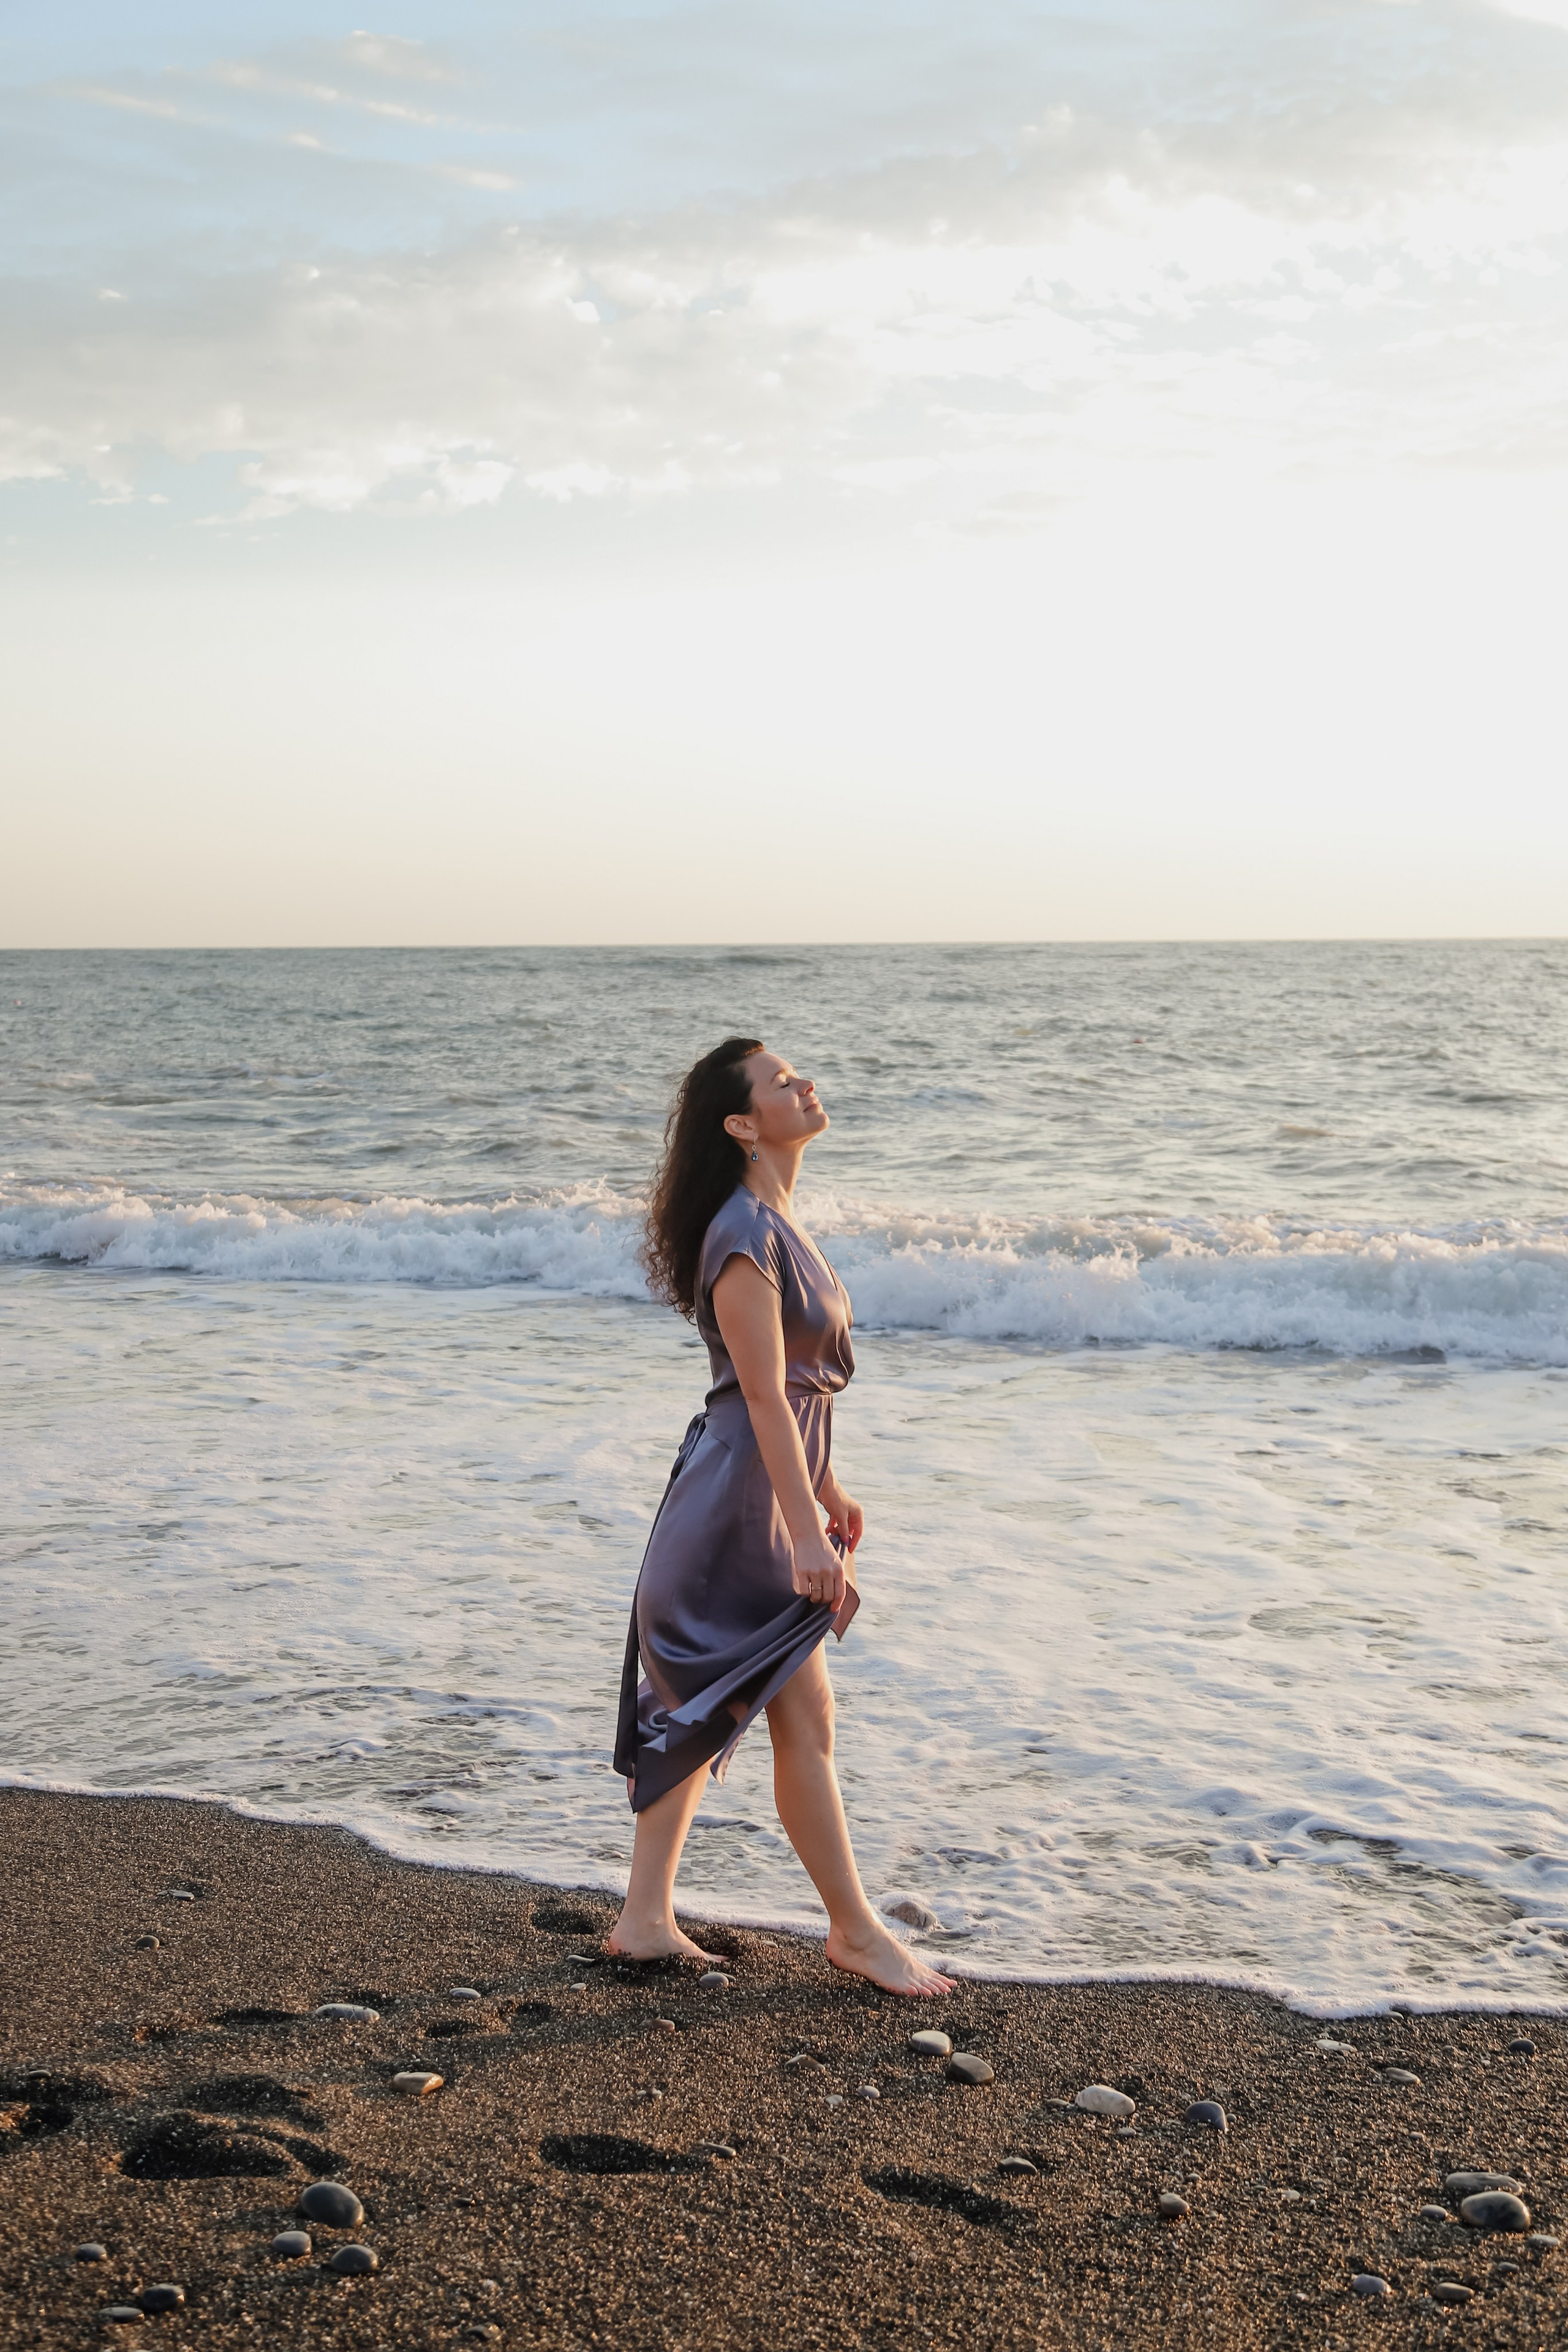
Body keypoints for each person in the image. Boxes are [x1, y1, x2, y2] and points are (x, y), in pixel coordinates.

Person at [609, 1035, 952, 1996]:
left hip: (760, 1494)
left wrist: (828, 1489)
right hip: (735, 1511)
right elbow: (760, 1397)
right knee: (791, 1710)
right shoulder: (741, 1233)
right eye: (779, 1081)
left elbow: (798, 1396)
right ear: (741, 1122)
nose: (804, 1082)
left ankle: (645, 1917)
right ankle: (855, 1930)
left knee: (705, 1710)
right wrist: (804, 1531)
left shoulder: (773, 1220)